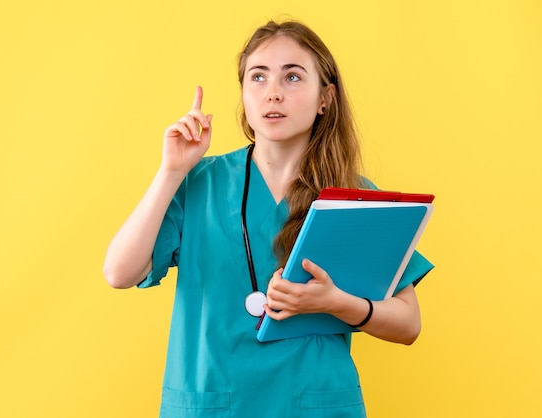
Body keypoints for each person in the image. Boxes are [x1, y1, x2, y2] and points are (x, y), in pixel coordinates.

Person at [103, 19, 433, 417]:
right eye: (258, 77)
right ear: (243, 93)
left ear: (325, 98)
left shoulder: (355, 197)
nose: (273, 93)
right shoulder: (198, 183)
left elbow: (408, 323)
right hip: (212, 403)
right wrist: (171, 171)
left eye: (292, 77)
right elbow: (119, 273)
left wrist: (337, 302)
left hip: (315, 405)